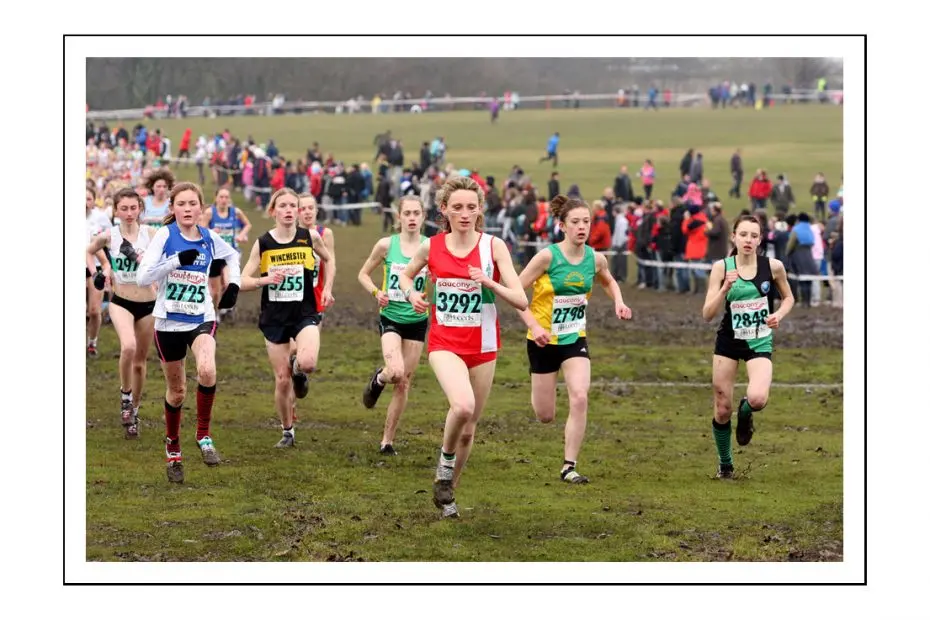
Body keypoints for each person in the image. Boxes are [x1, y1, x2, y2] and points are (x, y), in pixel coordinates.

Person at [397, 176, 528, 518]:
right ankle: (444, 465)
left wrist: (489, 282)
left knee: (469, 432)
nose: (465, 213)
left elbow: (521, 299)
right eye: (457, 207)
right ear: (444, 210)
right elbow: (406, 276)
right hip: (444, 342)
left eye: (472, 207)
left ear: (480, 210)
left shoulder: (493, 247)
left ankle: (447, 496)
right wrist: (412, 295)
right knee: (463, 405)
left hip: (483, 345)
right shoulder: (432, 247)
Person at [516, 195, 633, 484]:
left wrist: (618, 301)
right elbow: (516, 294)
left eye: (586, 222)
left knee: (580, 397)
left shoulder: (595, 258)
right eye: (575, 222)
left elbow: (608, 279)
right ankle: (545, 406)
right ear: (562, 226)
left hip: (573, 338)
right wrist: (533, 324)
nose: (582, 227)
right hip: (542, 341)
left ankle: (569, 466)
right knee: (545, 415)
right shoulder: (546, 257)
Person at [136, 182, 243, 483]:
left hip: (201, 317)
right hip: (169, 321)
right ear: (172, 209)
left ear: (201, 208)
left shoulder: (209, 238)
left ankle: (204, 436)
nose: (187, 209)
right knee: (178, 391)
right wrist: (173, 262)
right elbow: (144, 276)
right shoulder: (165, 235)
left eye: (192, 204)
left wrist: (232, 283)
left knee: (207, 370)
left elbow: (233, 256)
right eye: (181, 204)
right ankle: (173, 447)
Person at [239, 188, 335, 449]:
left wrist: (326, 288)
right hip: (275, 318)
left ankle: (298, 368)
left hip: (304, 313)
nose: (290, 210)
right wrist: (264, 280)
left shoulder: (310, 237)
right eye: (283, 206)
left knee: (308, 362)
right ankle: (287, 431)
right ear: (273, 211)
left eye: (294, 205)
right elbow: (241, 280)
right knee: (281, 380)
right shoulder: (264, 243)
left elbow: (330, 259)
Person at [701, 215, 795, 479]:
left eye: (754, 236)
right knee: (721, 409)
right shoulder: (722, 267)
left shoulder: (773, 267)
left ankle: (746, 412)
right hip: (729, 342)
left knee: (757, 398)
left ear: (760, 239)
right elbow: (707, 314)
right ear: (734, 237)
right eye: (743, 235)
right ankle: (725, 464)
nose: (748, 240)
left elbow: (788, 298)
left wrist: (779, 315)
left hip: (759, 340)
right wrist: (724, 289)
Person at [357, 196, 430, 455]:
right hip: (391, 317)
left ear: (423, 216)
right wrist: (377, 292)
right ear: (398, 217)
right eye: (407, 213)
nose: (411, 218)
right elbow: (363, 274)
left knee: (403, 382)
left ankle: (387, 441)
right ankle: (379, 378)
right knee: (395, 371)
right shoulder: (386, 245)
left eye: (416, 213)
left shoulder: (431, 246)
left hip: (417, 321)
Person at [87, 188, 158, 439]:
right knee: (127, 346)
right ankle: (125, 397)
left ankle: (134, 412)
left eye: (133, 208)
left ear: (140, 208)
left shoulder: (152, 235)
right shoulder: (109, 236)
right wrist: (102, 268)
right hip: (121, 301)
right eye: (123, 209)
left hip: (149, 304)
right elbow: (88, 249)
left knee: (140, 363)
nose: (129, 213)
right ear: (115, 210)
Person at [201, 187, 252, 320]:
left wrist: (241, 235)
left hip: (230, 254)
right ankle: (216, 314)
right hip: (215, 256)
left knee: (229, 282)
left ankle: (226, 307)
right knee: (215, 291)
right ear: (216, 198)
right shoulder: (209, 213)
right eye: (221, 197)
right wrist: (211, 232)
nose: (224, 200)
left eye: (226, 197)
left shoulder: (235, 212)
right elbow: (200, 231)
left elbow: (248, 225)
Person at [86, 187, 112, 358]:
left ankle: (92, 343)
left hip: (95, 266)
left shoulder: (100, 217)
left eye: (88, 198)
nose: (84, 202)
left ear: (94, 201)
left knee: (94, 311)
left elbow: (111, 239)